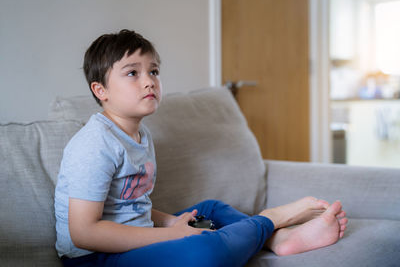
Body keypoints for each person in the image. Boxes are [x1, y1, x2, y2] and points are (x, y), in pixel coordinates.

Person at [54, 29, 348, 267]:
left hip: (138, 237)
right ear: (100, 90)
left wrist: (170, 222)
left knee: (209, 210)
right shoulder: (95, 143)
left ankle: (276, 240)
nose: (149, 82)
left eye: (153, 71)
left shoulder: (139, 136)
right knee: (203, 251)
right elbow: (84, 233)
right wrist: (173, 237)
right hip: (96, 258)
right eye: (133, 73)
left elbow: (130, 206)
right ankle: (273, 220)